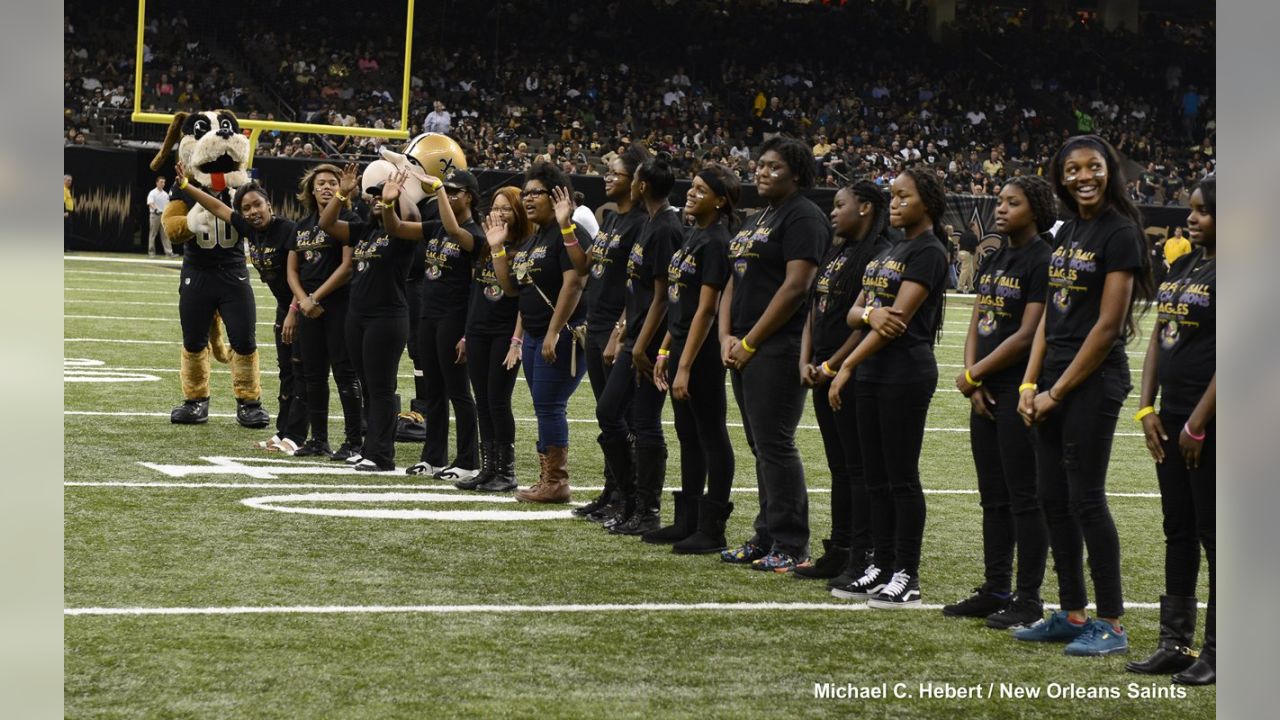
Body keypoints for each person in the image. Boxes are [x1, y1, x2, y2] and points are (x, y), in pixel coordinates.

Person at [1014, 135, 1154, 656]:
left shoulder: (1120, 232)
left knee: (1086, 498)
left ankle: (1112, 624)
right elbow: (1052, 314)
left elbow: (1107, 325)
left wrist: (1057, 391)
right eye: (1072, 169)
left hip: (1093, 381)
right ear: (1061, 177)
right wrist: (1031, 384)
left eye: (1093, 167)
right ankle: (1073, 613)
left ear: (1109, 171)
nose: (1083, 176)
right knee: (1053, 497)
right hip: (1051, 380)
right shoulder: (1068, 230)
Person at [827, 168, 949, 609]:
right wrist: (867, 317)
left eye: (904, 196)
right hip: (874, 372)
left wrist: (845, 366)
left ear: (927, 203)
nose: (894, 203)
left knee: (901, 477)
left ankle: (906, 574)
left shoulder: (929, 251)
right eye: (892, 196)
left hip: (905, 373)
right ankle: (879, 563)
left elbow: (895, 322)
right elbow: (856, 314)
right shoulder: (891, 250)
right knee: (875, 478)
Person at [943, 176, 1055, 628]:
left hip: (1018, 388)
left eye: (1014, 202)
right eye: (1001, 202)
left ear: (1038, 209)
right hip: (985, 387)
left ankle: (1028, 598)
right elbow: (977, 318)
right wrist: (972, 379)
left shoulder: (1041, 259)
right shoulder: (997, 257)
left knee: (1023, 496)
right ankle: (995, 588)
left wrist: (977, 374)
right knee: (993, 496)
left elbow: (1029, 334)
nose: (1002, 209)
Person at [720, 136, 828, 572]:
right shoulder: (755, 218)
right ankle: (765, 534)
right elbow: (732, 280)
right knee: (759, 443)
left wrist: (750, 342)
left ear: (797, 174)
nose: (761, 172)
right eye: (759, 165)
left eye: (773, 167)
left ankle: (790, 542)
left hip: (777, 346)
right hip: (743, 343)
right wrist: (727, 336)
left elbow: (796, 287)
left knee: (775, 443)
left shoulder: (804, 216)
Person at [1128, 176, 1216, 685]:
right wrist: (1146, 409)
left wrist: (1199, 422)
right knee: (1178, 529)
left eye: (1203, 211)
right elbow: (1161, 340)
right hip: (1173, 417)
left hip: (1214, 424)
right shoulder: (1183, 266)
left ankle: (1219, 649)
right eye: (1192, 210)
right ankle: (1175, 643)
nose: (1191, 219)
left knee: (1212, 534)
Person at [794, 181, 893, 582]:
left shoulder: (879, 255)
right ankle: (840, 547)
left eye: (840, 205)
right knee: (840, 467)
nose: (833, 212)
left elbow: (867, 322)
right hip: (821, 370)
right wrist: (807, 359)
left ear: (865, 208)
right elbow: (814, 310)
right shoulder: (837, 251)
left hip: (850, 371)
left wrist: (835, 364)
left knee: (858, 468)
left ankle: (861, 552)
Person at [180, 175, 308, 455]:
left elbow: (301, 277)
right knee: (288, 373)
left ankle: (313, 438)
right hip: (285, 307)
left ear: (269, 204)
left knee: (311, 374)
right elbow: (216, 207)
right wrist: (185, 185)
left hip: (303, 307)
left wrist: (294, 310)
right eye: (246, 208)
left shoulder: (287, 230)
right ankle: (285, 432)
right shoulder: (251, 230)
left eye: (257, 205)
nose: (252, 211)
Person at [652, 164, 740, 554]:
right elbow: (681, 303)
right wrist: (666, 349)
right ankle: (687, 519)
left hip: (701, 353)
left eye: (702, 190)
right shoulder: (694, 234)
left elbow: (706, 310)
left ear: (720, 201)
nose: (691, 192)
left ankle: (712, 526)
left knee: (710, 434)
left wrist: (684, 364)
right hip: (682, 345)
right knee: (688, 433)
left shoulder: (717, 241)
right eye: (694, 187)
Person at [314, 164, 423, 471]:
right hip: (358, 316)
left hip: (386, 317)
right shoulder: (364, 231)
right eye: (373, 194)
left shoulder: (401, 231)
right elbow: (326, 223)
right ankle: (370, 447)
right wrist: (342, 193)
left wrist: (394, 198)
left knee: (381, 387)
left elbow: (401, 221)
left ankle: (382, 454)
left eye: (383, 195)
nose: (377, 199)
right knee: (366, 384)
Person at [597, 153, 680, 536]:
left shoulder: (665, 227)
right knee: (609, 412)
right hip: (635, 334)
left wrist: (643, 346)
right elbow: (639, 290)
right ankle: (628, 499)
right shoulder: (649, 222)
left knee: (644, 421)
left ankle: (647, 509)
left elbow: (662, 297)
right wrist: (624, 333)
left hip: (649, 340)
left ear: (642, 184)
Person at [392, 169, 484, 482]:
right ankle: (433, 457)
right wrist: (392, 198)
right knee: (433, 391)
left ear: (469, 196)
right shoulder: (437, 227)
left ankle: (469, 460)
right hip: (429, 316)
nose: (448, 195)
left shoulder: (476, 233)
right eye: (447, 192)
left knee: (458, 391)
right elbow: (399, 228)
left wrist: (439, 190)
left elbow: (456, 232)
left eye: (455, 191)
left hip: (454, 318)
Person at [507, 161, 591, 503]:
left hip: (562, 334)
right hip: (535, 334)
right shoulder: (534, 238)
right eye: (525, 193)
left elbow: (575, 283)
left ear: (557, 194)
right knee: (544, 405)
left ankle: (556, 482)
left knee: (550, 405)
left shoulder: (568, 232)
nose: (527, 199)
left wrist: (555, 331)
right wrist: (499, 248)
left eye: (535, 193)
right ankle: (548, 477)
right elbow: (513, 289)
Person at [575, 144, 650, 523]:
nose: (607, 177)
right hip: (596, 323)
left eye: (616, 173)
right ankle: (613, 491)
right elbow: (584, 267)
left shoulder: (640, 222)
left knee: (623, 417)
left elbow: (639, 284)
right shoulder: (611, 219)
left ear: (636, 182)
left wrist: (620, 331)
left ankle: (630, 496)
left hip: (616, 329)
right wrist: (565, 226)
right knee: (608, 418)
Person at [286, 164, 364, 460]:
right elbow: (292, 270)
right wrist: (303, 300)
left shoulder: (349, 219)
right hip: (308, 308)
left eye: (333, 182)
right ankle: (318, 440)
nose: (327, 188)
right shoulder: (301, 225)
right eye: (321, 184)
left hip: (339, 306)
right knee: (313, 375)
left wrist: (314, 298)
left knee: (345, 374)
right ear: (311, 189)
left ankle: (354, 441)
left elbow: (347, 267)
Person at [460, 187, 529, 492]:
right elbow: (476, 293)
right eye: (496, 208)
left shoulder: (525, 248)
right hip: (478, 331)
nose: (499, 214)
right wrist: (466, 333)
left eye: (507, 209)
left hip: (504, 332)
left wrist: (517, 341)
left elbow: (522, 299)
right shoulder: (488, 245)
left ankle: (506, 471)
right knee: (483, 402)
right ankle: (488, 469)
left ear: (519, 213)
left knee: (498, 401)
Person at [146, 176, 176, 257]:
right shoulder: (152, 193)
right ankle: (151, 252)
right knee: (153, 234)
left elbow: (168, 205)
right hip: (155, 215)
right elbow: (150, 203)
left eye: (164, 182)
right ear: (157, 183)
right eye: (161, 182)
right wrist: (156, 209)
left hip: (163, 216)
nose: (163, 184)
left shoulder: (165, 194)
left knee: (165, 235)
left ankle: (169, 252)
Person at [957, 222, 979, 292]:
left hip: (961, 252)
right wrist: (984, 254)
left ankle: (971, 288)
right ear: (972, 227)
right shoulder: (973, 236)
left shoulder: (963, 234)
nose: (976, 228)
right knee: (965, 271)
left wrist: (958, 253)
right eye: (975, 226)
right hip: (968, 254)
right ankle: (960, 288)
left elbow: (958, 244)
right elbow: (977, 246)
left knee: (970, 271)